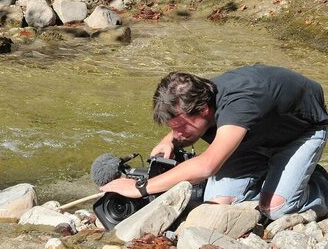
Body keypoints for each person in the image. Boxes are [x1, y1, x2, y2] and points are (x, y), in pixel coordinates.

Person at [99, 64, 328, 220]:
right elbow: (186, 123)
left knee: (275, 208)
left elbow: (207, 166)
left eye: (179, 127)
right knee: (217, 205)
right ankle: (276, 175)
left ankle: (318, 185)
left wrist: (141, 188)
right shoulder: (199, 98)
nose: (177, 134)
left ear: (204, 110)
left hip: (300, 132)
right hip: (252, 136)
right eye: (172, 128)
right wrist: (169, 139)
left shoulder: (239, 105)